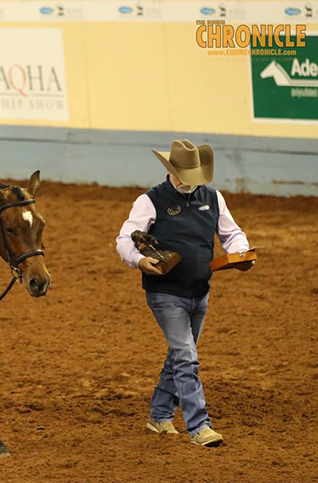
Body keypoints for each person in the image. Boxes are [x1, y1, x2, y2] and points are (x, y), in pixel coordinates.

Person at [116, 139, 254, 447]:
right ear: (172, 171)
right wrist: (139, 260)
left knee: (179, 356)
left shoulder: (213, 198)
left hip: (199, 291)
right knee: (186, 357)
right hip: (165, 294)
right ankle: (199, 426)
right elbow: (124, 239)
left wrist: (240, 253)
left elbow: (232, 234)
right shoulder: (150, 200)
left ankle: (160, 417)